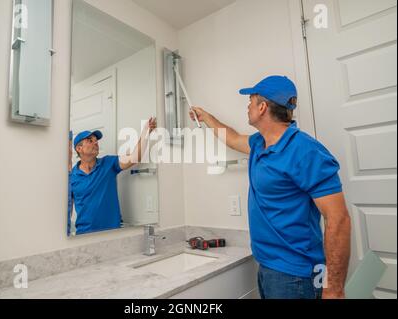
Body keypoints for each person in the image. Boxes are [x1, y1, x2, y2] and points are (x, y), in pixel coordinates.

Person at [190, 76, 351, 299]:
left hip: (296, 275)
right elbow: (234, 138)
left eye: (251, 101)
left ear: (263, 107)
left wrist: (333, 288)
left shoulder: (306, 151)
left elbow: (339, 219)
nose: (247, 106)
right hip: (268, 267)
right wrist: (206, 117)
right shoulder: (259, 143)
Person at [69, 118, 157, 235]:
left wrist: (146, 131)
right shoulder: (71, 176)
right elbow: (67, 211)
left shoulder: (109, 163)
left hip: (112, 233)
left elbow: (135, 156)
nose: (96, 143)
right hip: (84, 235)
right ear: (79, 149)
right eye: (90, 141)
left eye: (96, 141)